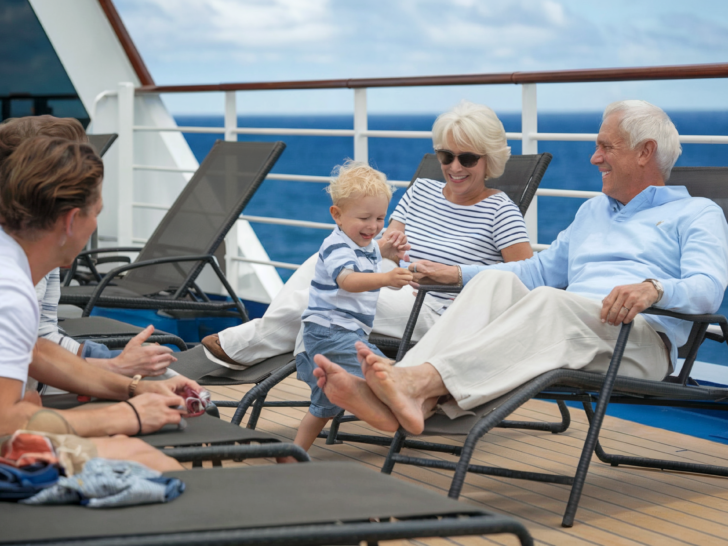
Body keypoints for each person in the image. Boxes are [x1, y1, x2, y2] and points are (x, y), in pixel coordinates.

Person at [312, 99, 728, 436]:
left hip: (636, 343)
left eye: (606, 147)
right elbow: (534, 271)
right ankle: (407, 393)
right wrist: (456, 275)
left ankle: (409, 385)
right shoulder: (592, 211)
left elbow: (708, 287)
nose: (593, 157)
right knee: (494, 283)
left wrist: (654, 289)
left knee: (550, 301)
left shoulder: (696, 213)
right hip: (572, 327)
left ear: (645, 152)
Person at [200, 101, 533, 368]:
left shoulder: (500, 211)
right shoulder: (423, 191)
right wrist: (387, 247)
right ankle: (268, 346)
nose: (455, 167)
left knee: (326, 299)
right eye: (447, 155)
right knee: (324, 261)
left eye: (468, 158)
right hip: (396, 283)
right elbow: (382, 246)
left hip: (436, 312)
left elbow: (524, 281)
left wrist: (452, 277)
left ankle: (243, 346)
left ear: (490, 159)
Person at [0, 136, 201, 470]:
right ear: (71, 220)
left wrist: (135, 389)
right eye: (96, 213)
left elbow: (34, 351)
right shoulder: (10, 291)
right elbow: (6, 422)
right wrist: (126, 416)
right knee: (155, 464)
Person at [0, 116, 177, 382]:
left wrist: (113, 368)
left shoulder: (28, 251)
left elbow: (35, 344)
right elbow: (11, 416)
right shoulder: (12, 282)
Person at [287, 162, 411, 457]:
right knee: (387, 374)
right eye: (365, 217)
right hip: (332, 333)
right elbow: (349, 281)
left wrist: (389, 255)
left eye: (381, 217)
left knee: (323, 407)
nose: (373, 226)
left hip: (339, 332)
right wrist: (386, 277)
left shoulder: (363, 243)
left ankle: (291, 455)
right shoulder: (335, 246)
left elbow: (372, 256)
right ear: (337, 215)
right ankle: (399, 416)